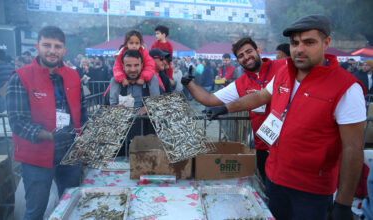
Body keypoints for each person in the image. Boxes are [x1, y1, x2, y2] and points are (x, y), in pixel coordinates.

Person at [207, 15, 366, 220]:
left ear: (326, 43)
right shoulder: (284, 73)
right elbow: (260, 96)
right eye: (295, 43)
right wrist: (225, 108)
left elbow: (353, 148)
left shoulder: (347, 88)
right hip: (275, 179)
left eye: (309, 42)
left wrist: (343, 203)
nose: (299, 49)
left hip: (311, 191)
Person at [6, 26, 88, 219]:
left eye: (57, 46)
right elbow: (17, 121)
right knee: (36, 210)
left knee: (71, 203)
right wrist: (49, 135)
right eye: (47, 45)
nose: (52, 50)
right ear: (37, 46)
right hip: (36, 157)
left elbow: (82, 111)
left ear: (64, 50)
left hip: (70, 153)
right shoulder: (21, 77)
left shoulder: (73, 75)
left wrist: (85, 133)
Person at [182, 37, 286, 182]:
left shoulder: (283, 66)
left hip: (287, 144)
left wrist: (225, 109)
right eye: (241, 56)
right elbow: (210, 99)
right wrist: (189, 84)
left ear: (258, 51)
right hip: (263, 145)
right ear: (238, 61)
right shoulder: (241, 83)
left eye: (249, 52)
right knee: (271, 192)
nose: (246, 57)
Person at [109, 50, 159, 155]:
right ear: (123, 66)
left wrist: (148, 108)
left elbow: (157, 103)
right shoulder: (115, 81)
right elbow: (111, 105)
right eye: (128, 65)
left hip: (146, 132)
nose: (132, 69)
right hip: (122, 133)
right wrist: (116, 108)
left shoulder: (151, 79)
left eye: (136, 65)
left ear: (142, 65)